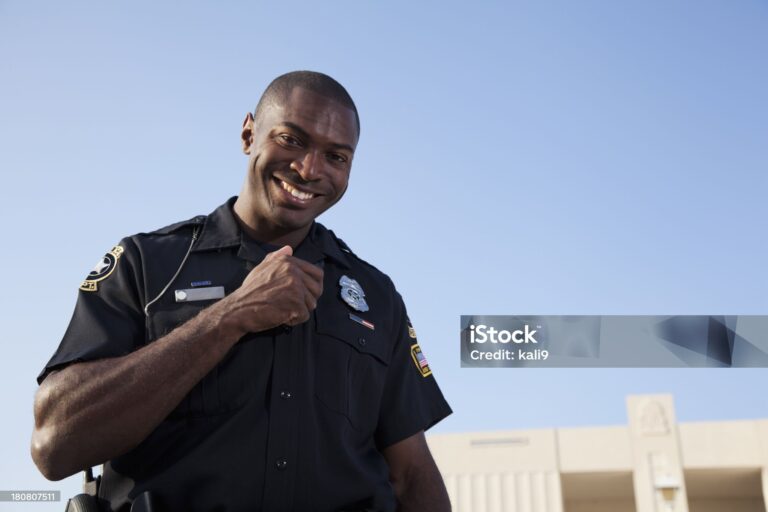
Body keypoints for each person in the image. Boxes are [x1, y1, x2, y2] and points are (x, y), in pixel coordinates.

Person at [31, 71, 452, 512]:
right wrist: (230, 315)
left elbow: (411, 474)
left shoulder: (375, 295)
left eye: (336, 156)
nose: (310, 169)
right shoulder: (148, 263)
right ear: (249, 133)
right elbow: (55, 444)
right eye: (291, 139)